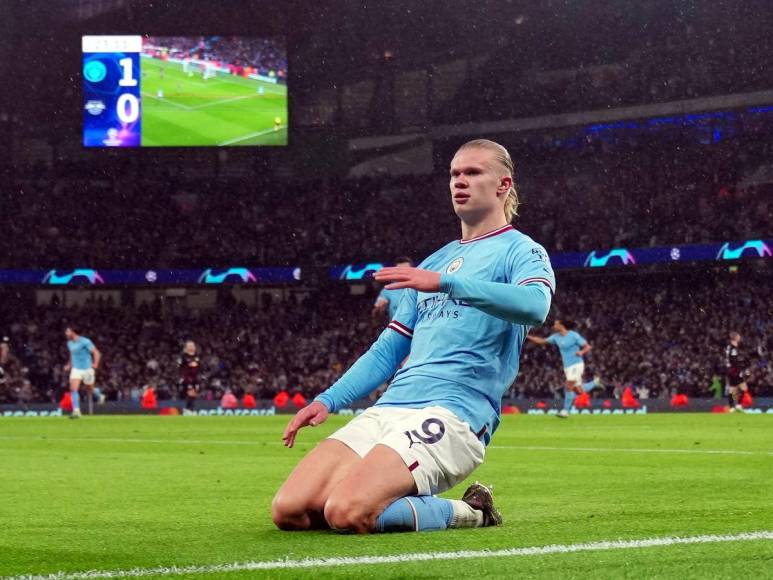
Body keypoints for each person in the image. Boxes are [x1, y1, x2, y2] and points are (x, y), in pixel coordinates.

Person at [272, 138, 554, 534]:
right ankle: (390, 497)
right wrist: (328, 400)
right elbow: (389, 348)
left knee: (346, 512)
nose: (460, 181)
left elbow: (534, 306)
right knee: (291, 510)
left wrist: (445, 283)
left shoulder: (520, 251)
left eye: (473, 173)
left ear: (503, 185)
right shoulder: (433, 261)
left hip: (454, 412)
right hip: (392, 407)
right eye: (455, 173)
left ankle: (472, 510)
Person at [526, 319, 597, 418]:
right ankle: (595, 383)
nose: (554, 326)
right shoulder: (556, 337)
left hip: (576, 364)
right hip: (567, 366)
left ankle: (565, 411)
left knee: (568, 386)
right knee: (578, 391)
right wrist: (528, 336)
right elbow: (542, 341)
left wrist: (581, 352)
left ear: (561, 325)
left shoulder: (573, 335)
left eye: (556, 324)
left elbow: (587, 346)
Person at [64, 326, 101, 419]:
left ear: (73, 332)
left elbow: (96, 352)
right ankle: (76, 411)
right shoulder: (69, 343)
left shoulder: (85, 341)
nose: (66, 333)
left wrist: (95, 364)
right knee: (73, 389)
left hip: (87, 368)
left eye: (68, 331)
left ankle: (99, 394)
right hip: (76, 369)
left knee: (90, 389)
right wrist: (69, 365)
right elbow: (72, 355)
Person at [372, 257, 414, 323]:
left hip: (418, 331)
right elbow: (376, 315)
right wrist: (379, 311)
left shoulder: (420, 288)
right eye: (400, 270)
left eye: (406, 270)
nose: (403, 273)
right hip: (397, 331)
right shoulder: (388, 289)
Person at [725, 331, 750, 412]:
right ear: (735, 338)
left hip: (730, 370)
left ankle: (733, 407)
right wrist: (741, 369)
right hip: (734, 370)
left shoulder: (729, 347)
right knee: (742, 387)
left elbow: (731, 359)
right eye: (738, 336)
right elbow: (733, 360)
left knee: (734, 388)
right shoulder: (733, 348)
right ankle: (736, 406)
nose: (740, 337)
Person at [178, 340, 201, 413]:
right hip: (187, 377)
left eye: (192, 346)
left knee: (194, 393)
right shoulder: (183, 356)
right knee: (190, 392)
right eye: (190, 346)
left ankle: (189, 409)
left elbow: (199, 366)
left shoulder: (197, 356)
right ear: (186, 347)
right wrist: (182, 377)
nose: (191, 347)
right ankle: (189, 410)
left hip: (195, 378)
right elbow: (179, 367)